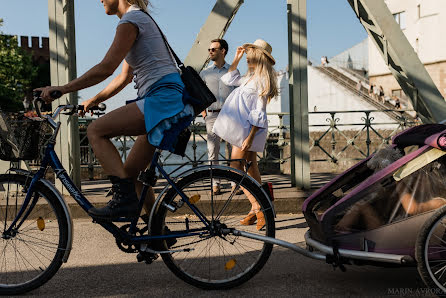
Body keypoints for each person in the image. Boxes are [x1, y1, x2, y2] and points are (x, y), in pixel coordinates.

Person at [35, 0, 194, 221]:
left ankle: (124, 203)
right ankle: (158, 232)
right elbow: (124, 77)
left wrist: (63, 89)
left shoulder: (131, 20)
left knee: (95, 131)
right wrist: (92, 100)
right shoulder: (140, 18)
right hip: (169, 98)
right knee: (132, 175)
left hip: (162, 98)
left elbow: (106, 68)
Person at [213, 39, 278, 230]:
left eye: (252, 59)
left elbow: (260, 112)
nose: (248, 62)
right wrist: (236, 58)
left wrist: (249, 137)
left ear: (261, 60)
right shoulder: (249, 78)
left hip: (247, 131)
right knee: (251, 170)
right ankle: (257, 209)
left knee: (235, 169)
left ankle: (259, 208)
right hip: (244, 130)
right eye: (248, 59)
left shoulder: (262, 81)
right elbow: (227, 79)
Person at [199, 39, 241, 195]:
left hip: (231, 116)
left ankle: (234, 184)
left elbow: (239, 94)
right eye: (209, 49)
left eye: (213, 49)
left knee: (232, 151)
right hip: (212, 116)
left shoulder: (232, 71)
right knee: (212, 151)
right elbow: (200, 95)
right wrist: (204, 114)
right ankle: (215, 184)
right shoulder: (204, 73)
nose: (210, 52)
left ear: (223, 51)